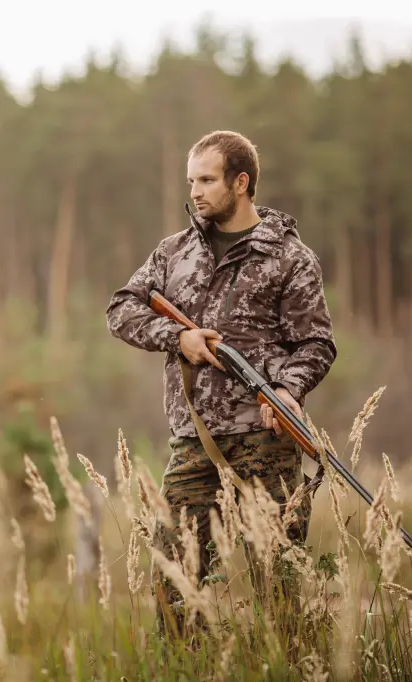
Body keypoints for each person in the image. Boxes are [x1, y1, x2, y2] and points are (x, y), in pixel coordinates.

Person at [105, 130, 337, 635]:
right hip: (194, 445)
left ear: (241, 182)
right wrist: (178, 339)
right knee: (174, 590)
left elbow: (316, 344)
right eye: (191, 181)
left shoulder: (290, 258)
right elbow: (120, 310)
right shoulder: (174, 252)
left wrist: (289, 389)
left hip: (267, 442)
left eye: (207, 180)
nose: (195, 192)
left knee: (280, 593)